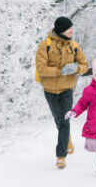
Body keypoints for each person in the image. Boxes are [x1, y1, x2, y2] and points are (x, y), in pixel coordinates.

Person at [36, 16, 88, 168]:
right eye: (68, 28)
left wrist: (77, 68)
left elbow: (84, 64)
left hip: (67, 89)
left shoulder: (74, 46)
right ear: (60, 30)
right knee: (58, 120)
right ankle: (67, 140)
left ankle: (61, 156)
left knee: (65, 121)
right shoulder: (45, 45)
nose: (72, 30)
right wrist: (61, 71)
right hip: (50, 90)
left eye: (72, 27)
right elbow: (41, 68)